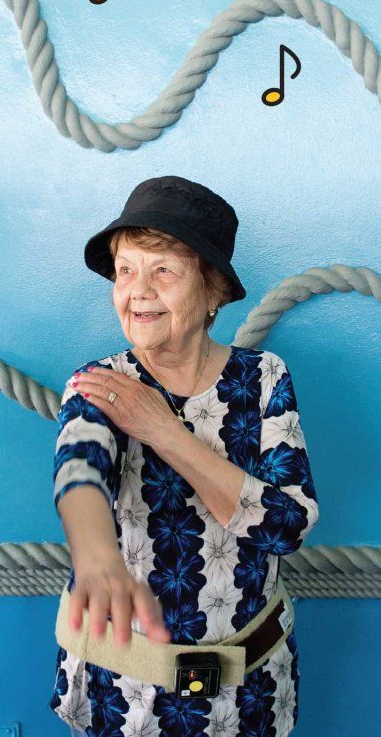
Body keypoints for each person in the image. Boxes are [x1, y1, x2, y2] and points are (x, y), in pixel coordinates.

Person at [49, 176, 319, 736]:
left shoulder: (264, 378)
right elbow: (79, 469)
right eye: (125, 270)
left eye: (163, 271)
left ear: (213, 288)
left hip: (253, 693)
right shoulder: (99, 385)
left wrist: (165, 433)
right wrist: (96, 554)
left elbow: (286, 526)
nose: (137, 291)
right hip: (131, 699)